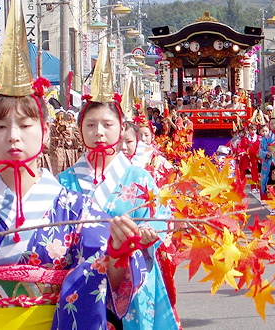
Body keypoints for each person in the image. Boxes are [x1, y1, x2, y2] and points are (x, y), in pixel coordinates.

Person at [0, 4, 146, 328]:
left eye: (26, 125)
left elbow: (106, 281)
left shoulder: (78, 211)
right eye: (0, 127)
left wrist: (117, 252)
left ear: (45, 132)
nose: (13, 137)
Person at [57, 40, 179, 330]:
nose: (98, 132)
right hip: (82, 288)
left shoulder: (140, 179)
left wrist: (149, 238)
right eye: (90, 125)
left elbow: (161, 227)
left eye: (107, 124)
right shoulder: (64, 182)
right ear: (80, 129)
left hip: (132, 283)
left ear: (121, 127)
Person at [238, 112, 263, 192]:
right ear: (248, 130)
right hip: (247, 157)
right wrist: (242, 152)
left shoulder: (259, 138)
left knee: (259, 172)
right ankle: (252, 187)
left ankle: (258, 187)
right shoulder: (245, 139)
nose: (253, 131)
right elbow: (241, 147)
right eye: (251, 129)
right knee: (250, 172)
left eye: (255, 129)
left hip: (257, 157)